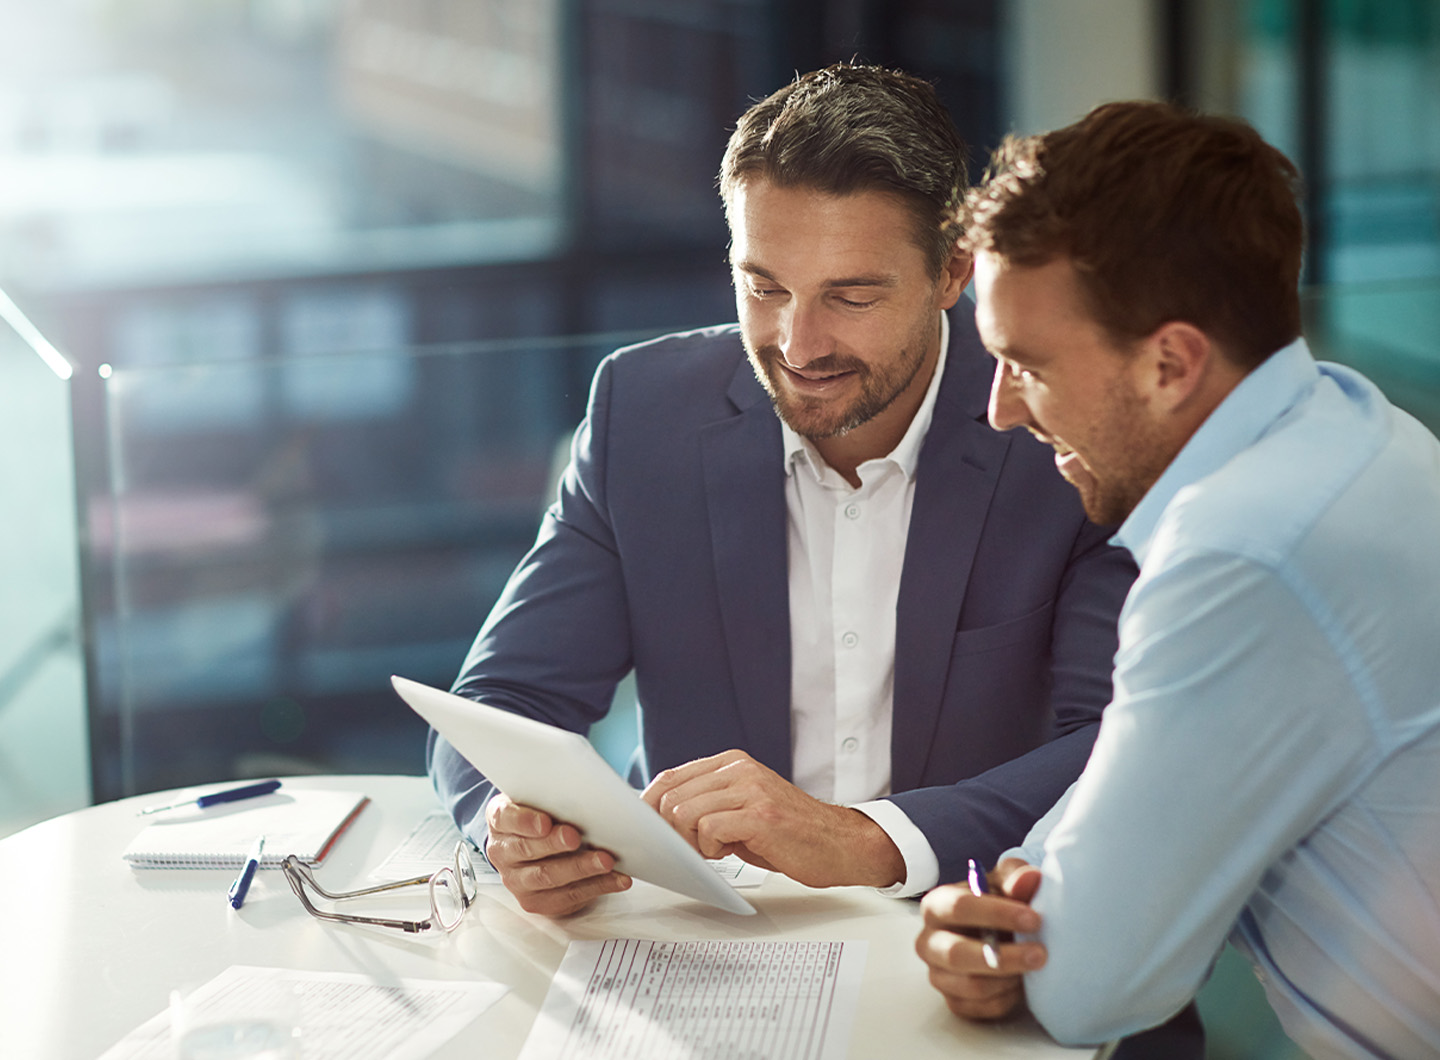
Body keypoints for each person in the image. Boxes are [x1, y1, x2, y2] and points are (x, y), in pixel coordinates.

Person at [427, 64, 1135, 917]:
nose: (798, 344)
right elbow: (502, 704)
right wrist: (513, 821)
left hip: (968, 925)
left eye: (853, 295)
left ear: (953, 274)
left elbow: (1116, 743)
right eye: (764, 288)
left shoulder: (1058, 430)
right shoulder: (642, 413)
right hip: (705, 938)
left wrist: (866, 840)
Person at [914, 99, 1440, 1060]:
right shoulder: (1354, 430)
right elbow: (1086, 826)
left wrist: (1024, 932)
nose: (998, 412)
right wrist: (1024, 898)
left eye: (1025, 366)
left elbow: (1082, 988)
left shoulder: (1246, 555)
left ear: (1169, 363)